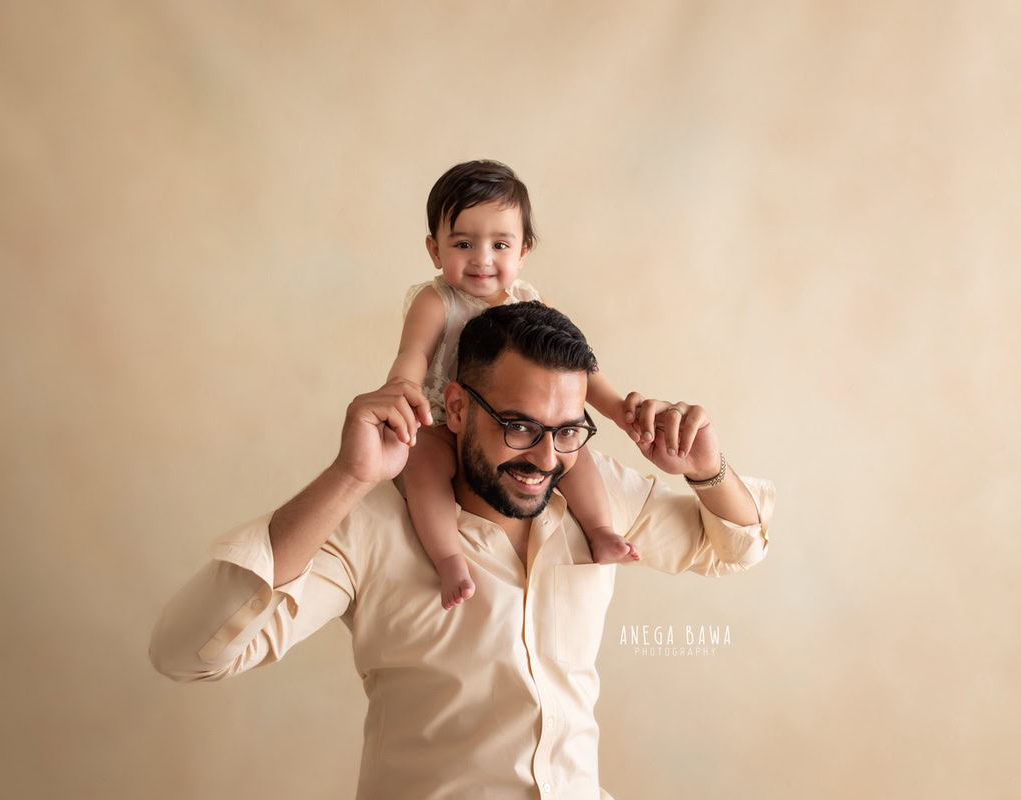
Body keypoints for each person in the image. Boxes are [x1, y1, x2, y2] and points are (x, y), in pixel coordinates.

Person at [148, 302, 776, 799]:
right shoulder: (372, 524)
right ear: (454, 407)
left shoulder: (592, 494)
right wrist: (347, 476)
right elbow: (189, 653)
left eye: (565, 432)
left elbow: (732, 548)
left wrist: (708, 470)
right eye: (519, 426)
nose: (546, 458)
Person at [392, 160, 638, 611]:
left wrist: (618, 406)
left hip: (521, 425)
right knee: (422, 464)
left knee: (572, 453)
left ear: (522, 251)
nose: (482, 259)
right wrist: (401, 388)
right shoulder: (435, 301)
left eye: (499, 244)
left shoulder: (529, 299)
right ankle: (448, 558)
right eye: (463, 243)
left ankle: (601, 531)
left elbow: (579, 362)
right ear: (434, 249)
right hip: (445, 420)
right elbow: (413, 355)